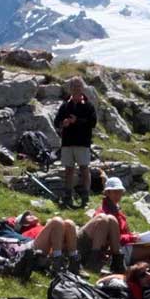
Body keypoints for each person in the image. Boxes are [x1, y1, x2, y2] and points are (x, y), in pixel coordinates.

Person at [95, 177, 150, 270]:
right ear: (107, 193)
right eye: (115, 192)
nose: (118, 195)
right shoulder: (103, 213)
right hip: (114, 251)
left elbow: (122, 233)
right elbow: (111, 238)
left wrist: (133, 236)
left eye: (120, 192)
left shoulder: (115, 208)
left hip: (123, 246)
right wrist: (134, 238)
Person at [53, 76, 97, 209]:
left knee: (84, 169)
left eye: (78, 86)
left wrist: (76, 121)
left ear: (82, 88)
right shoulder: (65, 106)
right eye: (73, 86)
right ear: (70, 89)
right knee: (68, 170)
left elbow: (93, 123)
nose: (76, 89)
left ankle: (85, 197)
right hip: (67, 143)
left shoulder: (89, 106)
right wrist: (63, 123)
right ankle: (68, 196)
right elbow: (56, 122)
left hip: (83, 143)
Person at [12, 211, 82, 274]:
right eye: (27, 216)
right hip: (36, 251)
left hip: (53, 249)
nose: (31, 215)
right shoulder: (26, 232)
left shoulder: (41, 226)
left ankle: (74, 262)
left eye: (30, 214)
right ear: (23, 224)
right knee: (56, 221)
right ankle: (57, 262)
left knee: (69, 223)